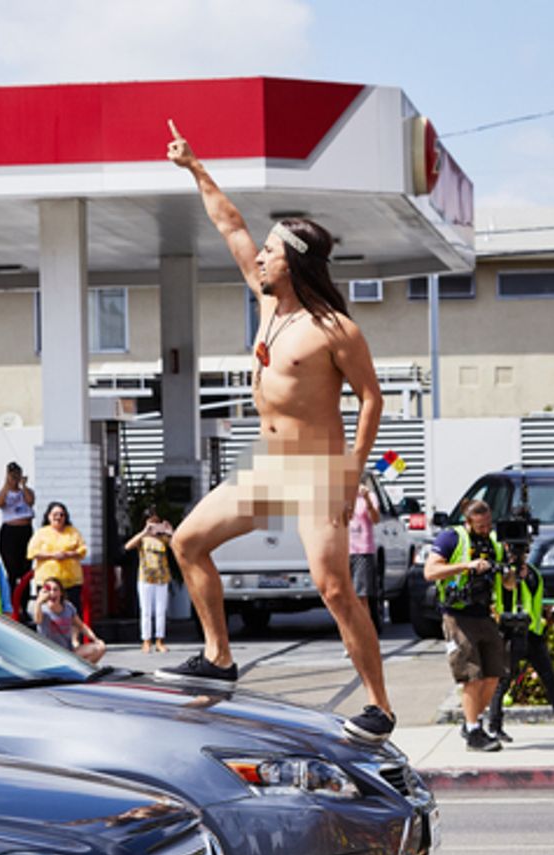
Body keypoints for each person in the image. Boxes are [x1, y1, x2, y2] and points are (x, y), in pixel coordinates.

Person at [163, 121, 395, 743]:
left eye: (270, 251)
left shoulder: (335, 329)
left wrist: (352, 474)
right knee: (187, 542)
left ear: (292, 261)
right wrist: (195, 166)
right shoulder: (268, 305)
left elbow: (372, 400)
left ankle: (378, 706)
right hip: (272, 468)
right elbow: (230, 225)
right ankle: (219, 658)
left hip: (321, 472)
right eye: (262, 251)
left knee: (333, 588)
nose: (258, 256)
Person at [423, 500, 515, 752]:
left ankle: (470, 721)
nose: (486, 529)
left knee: (495, 673)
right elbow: (430, 572)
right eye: (481, 525)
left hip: (484, 613)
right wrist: (467, 565)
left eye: (488, 524)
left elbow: (509, 585)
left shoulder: (494, 542)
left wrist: (512, 570)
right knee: (471, 675)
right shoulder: (452, 537)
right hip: (457, 615)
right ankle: (474, 732)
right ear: (468, 521)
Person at [485, 561, 554, 742]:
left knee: (550, 680)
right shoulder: (502, 572)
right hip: (512, 632)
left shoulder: (533, 572)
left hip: (534, 634)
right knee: (503, 681)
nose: (520, 554)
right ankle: (494, 727)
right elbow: (500, 597)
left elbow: (535, 598)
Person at [124, 508, 173, 653]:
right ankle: (146, 640)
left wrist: (171, 532)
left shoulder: (163, 539)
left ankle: (160, 640)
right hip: (145, 578)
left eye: (157, 522)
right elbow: (128, 546)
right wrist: (145, 531)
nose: (154, 525)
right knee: (146, 611)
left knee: (160, 611)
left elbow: (178, 547)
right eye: (151, 522)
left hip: (162, 578)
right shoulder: (143, 538)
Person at [26, 501, 88, 614]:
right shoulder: (41, 533)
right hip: (47, 582)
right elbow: (32, 552)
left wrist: (67, 554)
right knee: (47, 613)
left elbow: (82, 550)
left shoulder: (73, 532)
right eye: (55, 515)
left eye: (61, 515)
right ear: (49, 516)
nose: (58, 517)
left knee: (72, 613)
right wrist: (52, 555)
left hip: (71, 582)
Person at [34, 576, 106, 664]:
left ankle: (80, 671)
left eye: (55, 589)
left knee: (101, 648)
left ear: (61, 593)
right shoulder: (42, 609)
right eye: (48, 590)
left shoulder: (68, 607)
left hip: (68, 652)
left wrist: (95, 639)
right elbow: (37, 620)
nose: (52, 593)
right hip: (50, 655)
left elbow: (81, 626)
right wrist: (38, 601)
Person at [0, 461, 36, 593]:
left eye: (17, 475)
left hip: (25, 531)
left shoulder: (25, 492)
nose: (15, 478)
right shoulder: (4, 492)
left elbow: (30, 501)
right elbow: (0, 503)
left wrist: (23, 485)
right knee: (12, 570)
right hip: (10, 532)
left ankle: (24, 604)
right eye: (12, 475)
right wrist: (7, 484)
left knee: (25, 569)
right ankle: (12, 601)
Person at [348, 481, 382, 630]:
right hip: (344, 551)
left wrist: (367, 498)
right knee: (346, 598)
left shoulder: (370, 496)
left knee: (361, 597)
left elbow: (375, 519)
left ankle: (364, 635)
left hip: (363, 551)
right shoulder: (341, 497)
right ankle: (350, 638)